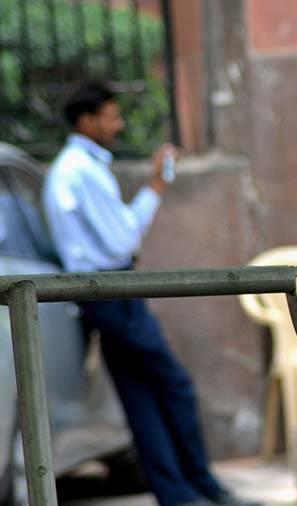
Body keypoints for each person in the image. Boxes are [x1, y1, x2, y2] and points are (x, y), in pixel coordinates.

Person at [42, 82, 259, 506]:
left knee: (141, 395)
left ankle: (180, 494)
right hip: (110, 292)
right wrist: (157, 185)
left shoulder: (78, 168)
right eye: (110, 116)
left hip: (105, 293)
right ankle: (201, 486)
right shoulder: (79, 171)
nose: (118, 124)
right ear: (87, 120)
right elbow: (121, 240)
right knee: (174, 385)